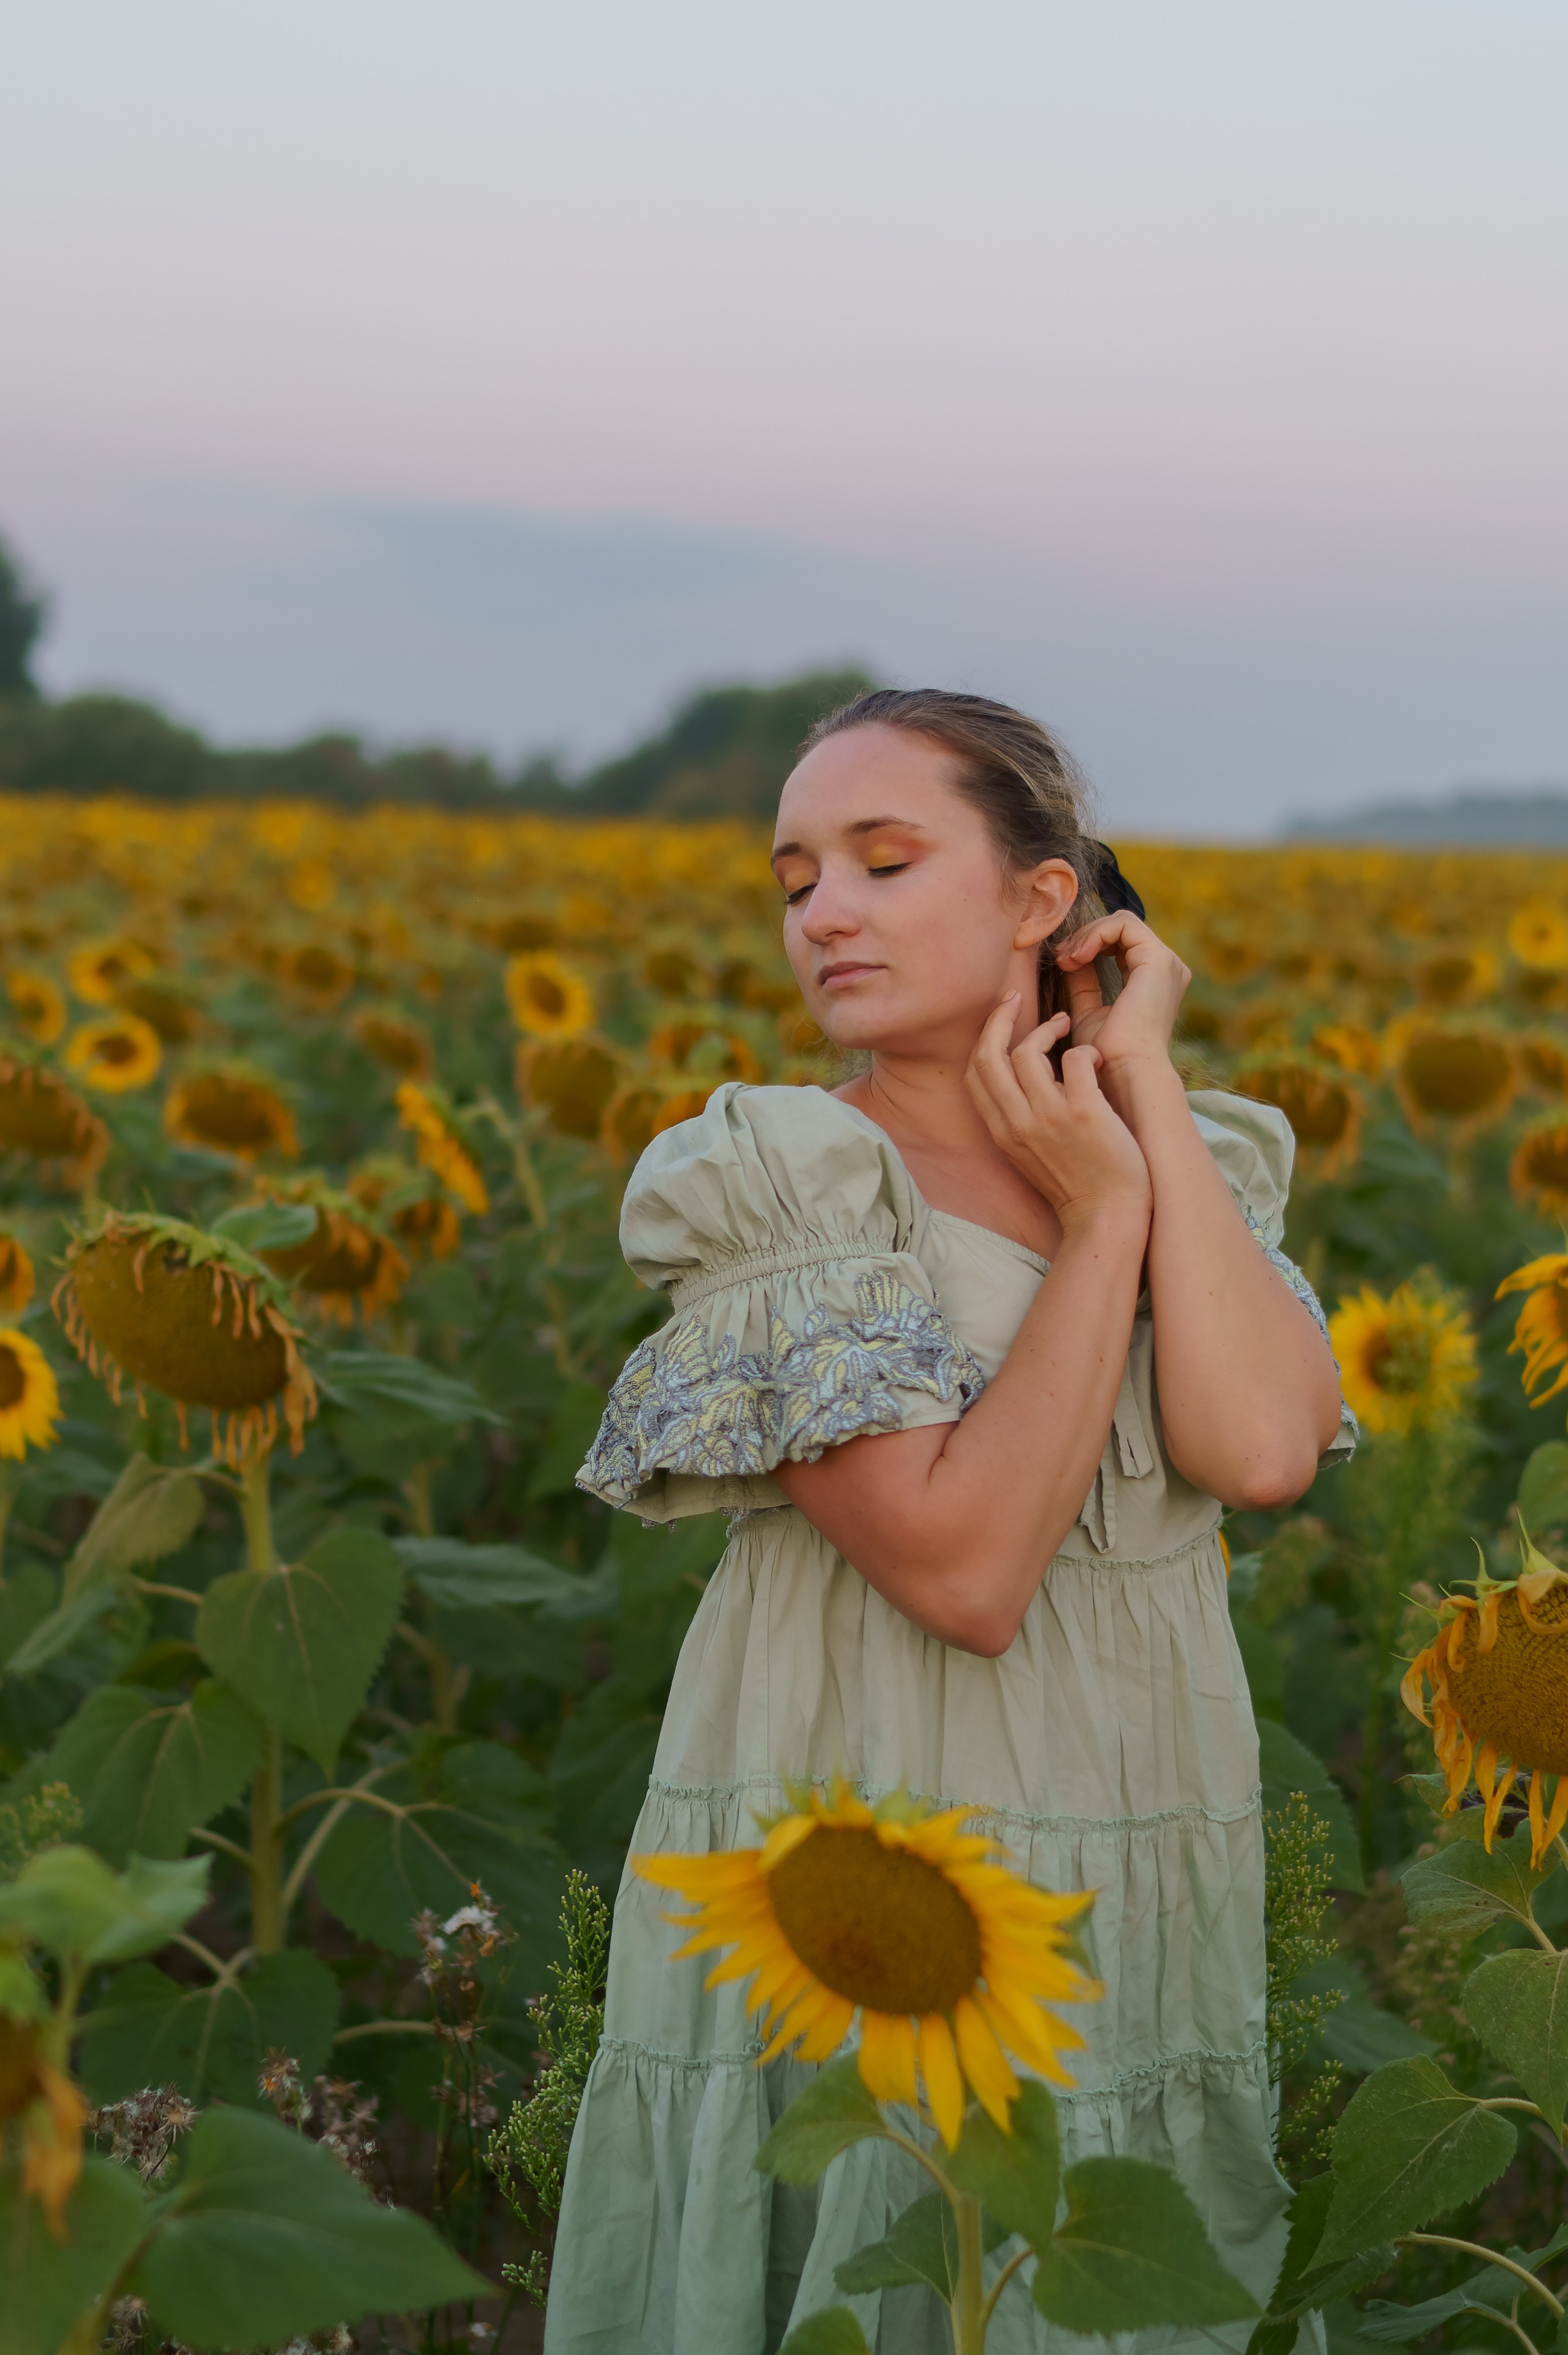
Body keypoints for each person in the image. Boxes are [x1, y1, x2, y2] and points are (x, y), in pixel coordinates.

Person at [546, 689, 1352, 2354]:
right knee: (875, 2254)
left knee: (1101, 2252)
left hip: (1131, 1813)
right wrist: (1105, 1215)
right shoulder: (787, 1177)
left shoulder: (1189, 1152)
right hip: (867, 1825)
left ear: (1041, 900)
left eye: (882, 861)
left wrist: (1139, 1110)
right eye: (795, 881)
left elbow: (1262, 1446)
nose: (823, 912)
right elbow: (965, 1568)